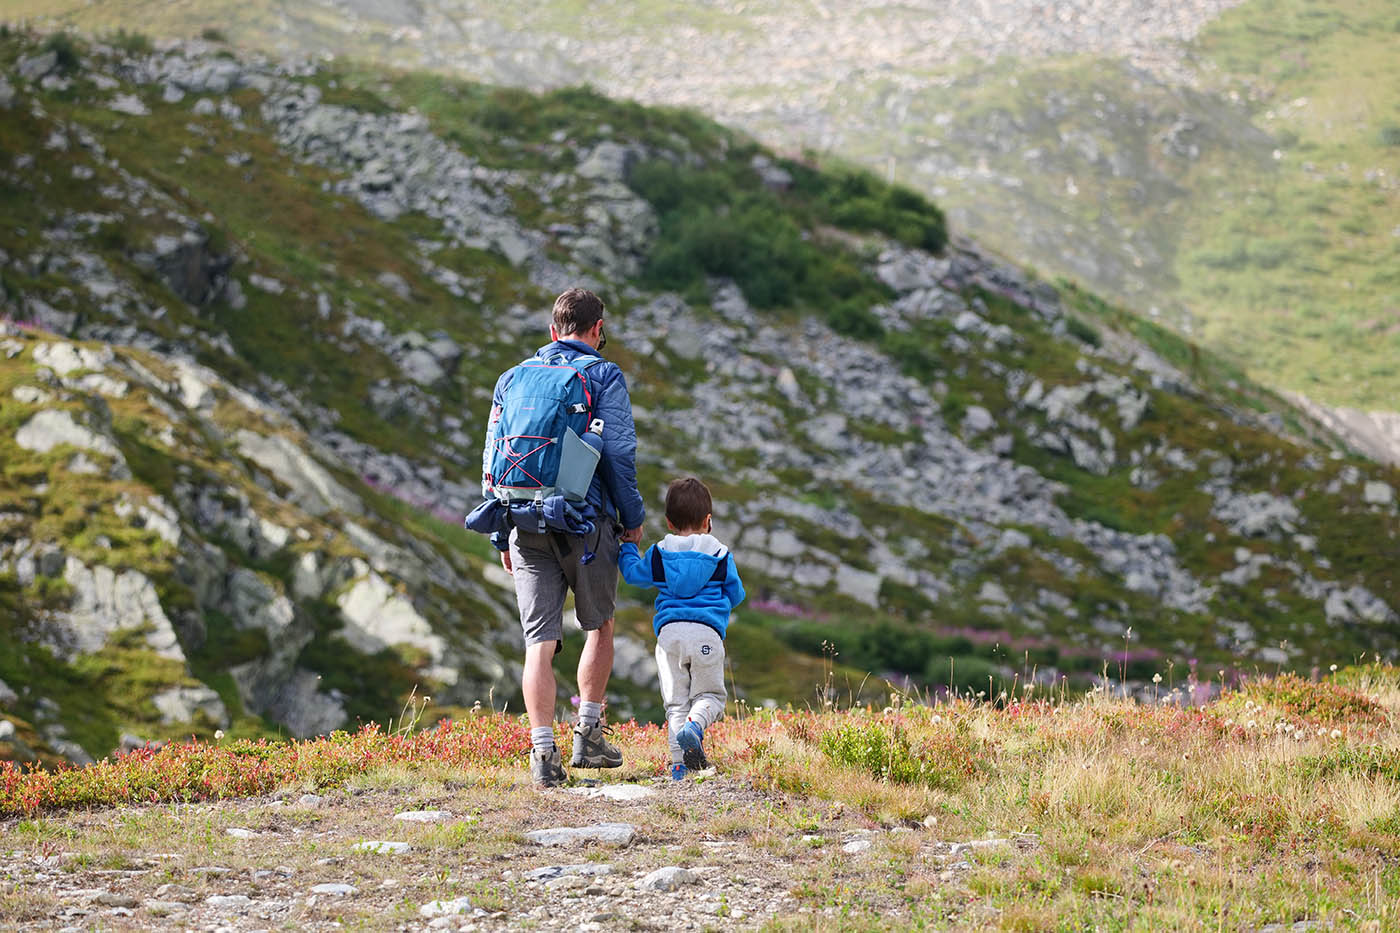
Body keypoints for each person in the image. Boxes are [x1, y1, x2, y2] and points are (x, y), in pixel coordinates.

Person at [487, 288, 645, 787]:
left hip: (523, 520)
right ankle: (589, 737)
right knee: (598, 626)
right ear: (598, 330)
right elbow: (618, 453)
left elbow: (491, 458)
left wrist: (499, 533)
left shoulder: (511, 379)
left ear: (553, 331)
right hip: (587, 521)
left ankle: (542, 756)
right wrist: (632, 517)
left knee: (539, 641)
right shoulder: (603, 374)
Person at [619, 477, 745, 780]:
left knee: (676, 702)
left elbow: (634, 575)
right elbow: (737, 594)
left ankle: (679, 767)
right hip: (706, 634)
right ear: (708, 521)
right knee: (711, 697)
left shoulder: (660, 553)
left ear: (668, 521)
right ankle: (695, 727)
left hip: (669, 635)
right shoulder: (720, 554)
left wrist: (628, 548)